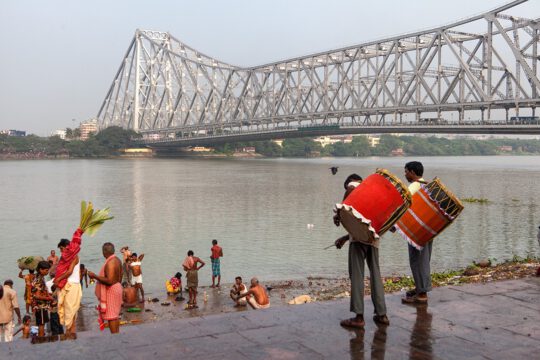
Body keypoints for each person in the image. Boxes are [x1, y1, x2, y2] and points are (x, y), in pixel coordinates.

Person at [334, 174, 389, 328]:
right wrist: (345, 238)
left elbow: (345, 214)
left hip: (358, 240)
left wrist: (337, 217)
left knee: (357, 276)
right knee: (375, 274)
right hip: (374, 238)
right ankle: (382, 314)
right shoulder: (372, 191)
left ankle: (359, 318)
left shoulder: (351, 187)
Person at [401, 161, 432, 305]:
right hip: (428, 228)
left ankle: (422, 294)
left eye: (406, 171)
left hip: (416, 230)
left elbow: (403, 205)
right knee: (424, 259)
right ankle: (420, 288)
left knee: (417, 260)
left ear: (413, 172)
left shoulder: (413, 186)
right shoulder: (427, 185)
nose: (405, 174)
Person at [54, 230, 84, 340]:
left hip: (72, 286)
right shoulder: (67, 258)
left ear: (67, 247)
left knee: (70, 312)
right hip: (69, 285)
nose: (61, 252)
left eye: (62, 249)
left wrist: (58, 279)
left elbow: (70, 271)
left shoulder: (75, 257)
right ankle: (71, 335)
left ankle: (69, 335)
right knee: (69, 311)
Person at [88, 243, 123, 334]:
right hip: (118, 287)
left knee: (111, 317)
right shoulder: (117, 260)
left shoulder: (111, 262)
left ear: (104, 252)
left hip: (112, 290)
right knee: (115, 316)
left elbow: (110, 280)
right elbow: (119, 277)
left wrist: (94, 276)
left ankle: (115, 337)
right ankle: (117, 336)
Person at [31, 261, 53, 337]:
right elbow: (37, 296)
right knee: (41, 324)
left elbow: (40, 291)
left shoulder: (40, 277)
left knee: (42, 324)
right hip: (40, 306)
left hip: (41, 306)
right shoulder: (39, 279)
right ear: (41, 269)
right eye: (46, 270)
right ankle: (41, 339)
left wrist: (47, 294)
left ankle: (41, 338)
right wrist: (48, 298)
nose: (47, 272)